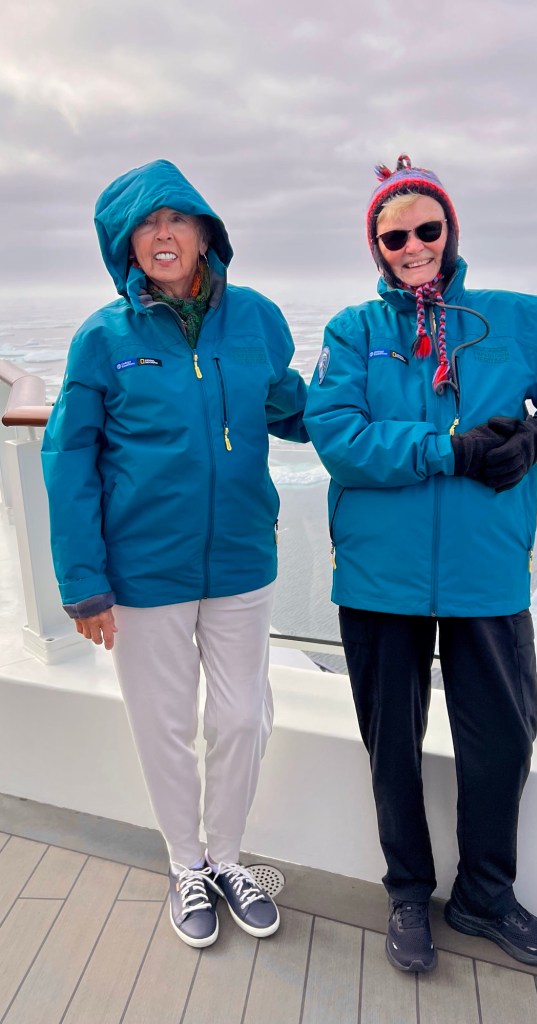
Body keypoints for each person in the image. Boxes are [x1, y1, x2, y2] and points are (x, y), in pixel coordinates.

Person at [304, 155, 537, 973]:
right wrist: (448, 448)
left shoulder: (518, 318)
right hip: (380, 577)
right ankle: (408, 893)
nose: (413, 246)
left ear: (451, 229)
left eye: (427, 228)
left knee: (502, 738)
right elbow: (339, 437)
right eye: (394, 236)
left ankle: (485, 895)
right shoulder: (353, 332)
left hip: (487, 571)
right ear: (376, 247)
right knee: (392, 746)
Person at [42, 159, 308, 949]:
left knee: (241, 718)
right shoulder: (103, 338)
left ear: (204, 234)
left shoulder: (256, 318)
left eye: (177, 220)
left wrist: (392, 415)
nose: (163, 235)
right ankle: (186, 864)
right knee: (163, 726)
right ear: (126, 246)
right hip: (143, 571)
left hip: (240, 559)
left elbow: (292, 406)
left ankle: (227, 859)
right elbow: (69, 459)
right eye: (146, 225)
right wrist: (84, 583)